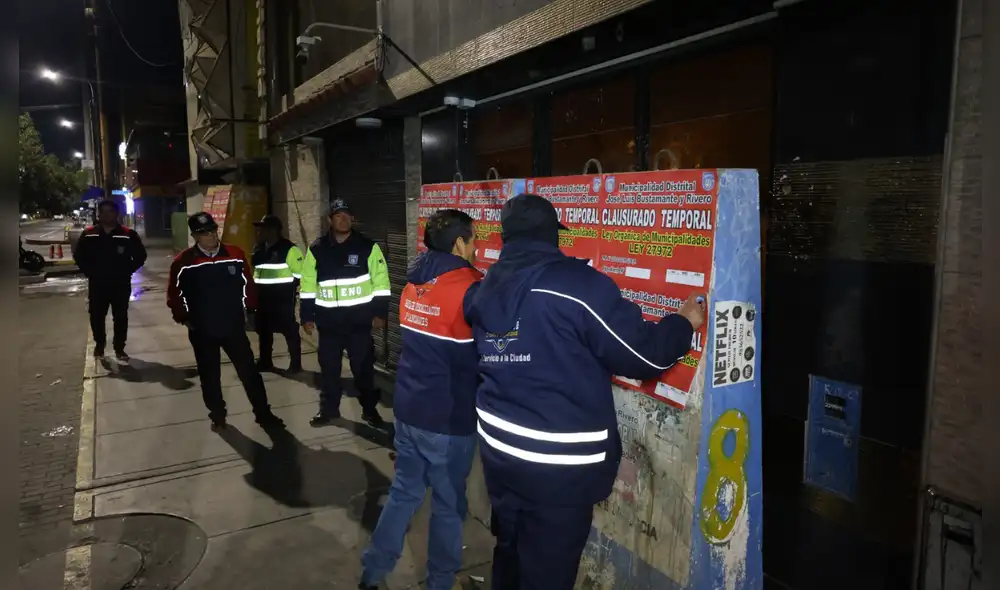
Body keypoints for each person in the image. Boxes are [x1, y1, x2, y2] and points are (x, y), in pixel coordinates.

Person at [464, 194, 706, 590]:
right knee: (547, 574)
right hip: (558, 473)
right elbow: (643, 355)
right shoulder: (577, 287)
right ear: (550, 235)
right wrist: (682, 324)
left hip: (501, 458)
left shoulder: (485, 284)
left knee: (510, 554)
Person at [359, 210, 483, 590]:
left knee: (404, 493)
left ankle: (373, 573)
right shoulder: (471, 287)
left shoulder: (415, 283)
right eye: (473, 238)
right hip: (447, 417)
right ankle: (440, 583)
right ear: (459, 243)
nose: (477, 246)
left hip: (409, 410)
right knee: (448, 507)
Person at [166, 212, 285, 432]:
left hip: (233, 328)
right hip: (202, 331)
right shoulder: (183, 262)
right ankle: (218, 415)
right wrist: (184, 318)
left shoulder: (235, 254)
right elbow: (174, 294)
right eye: (204, 233)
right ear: (195, 236)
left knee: (249, 372)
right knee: (210, 376)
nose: (210, 236)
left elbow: (248, 284)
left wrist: (250, 309)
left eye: (212, 230)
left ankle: (263, 413)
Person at [300, 198, 391, 428]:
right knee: (329, 372)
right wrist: (307, 316)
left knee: (363, 372)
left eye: (346, 214)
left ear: (353, 218)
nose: (343, 219)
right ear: (329, 220)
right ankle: (328, 411)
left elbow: (381, 282)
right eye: (337, 215)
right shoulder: (317, 249)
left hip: (359, 324)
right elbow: (308, 285)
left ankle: (370, 411)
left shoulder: (368, 247)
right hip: (329, 325)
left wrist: (380, 313)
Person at [74, 199, 147, 361]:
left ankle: (119, 348)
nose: (107, 215)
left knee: (120, 317)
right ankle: (99, 345)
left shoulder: (128, 234)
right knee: (96, 316)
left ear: (117, 214)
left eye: (110, 211)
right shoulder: (89, 234)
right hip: (97, 284)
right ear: (99, 214)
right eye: (103, 211)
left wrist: (127, 270)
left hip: (120, 284)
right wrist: (89, 272)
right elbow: (79, 256)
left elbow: (141, 256)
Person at [251, 215, 304, 372]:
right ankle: (265, 362)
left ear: (273, 230)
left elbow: (301, 274)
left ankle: (295, 364)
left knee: (289, 331)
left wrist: (289, 290)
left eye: (263, 228)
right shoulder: (259, 248)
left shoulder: (289, 249)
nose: (259, 231)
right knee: (264, 331)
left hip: (282, 300)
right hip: (263, 299)